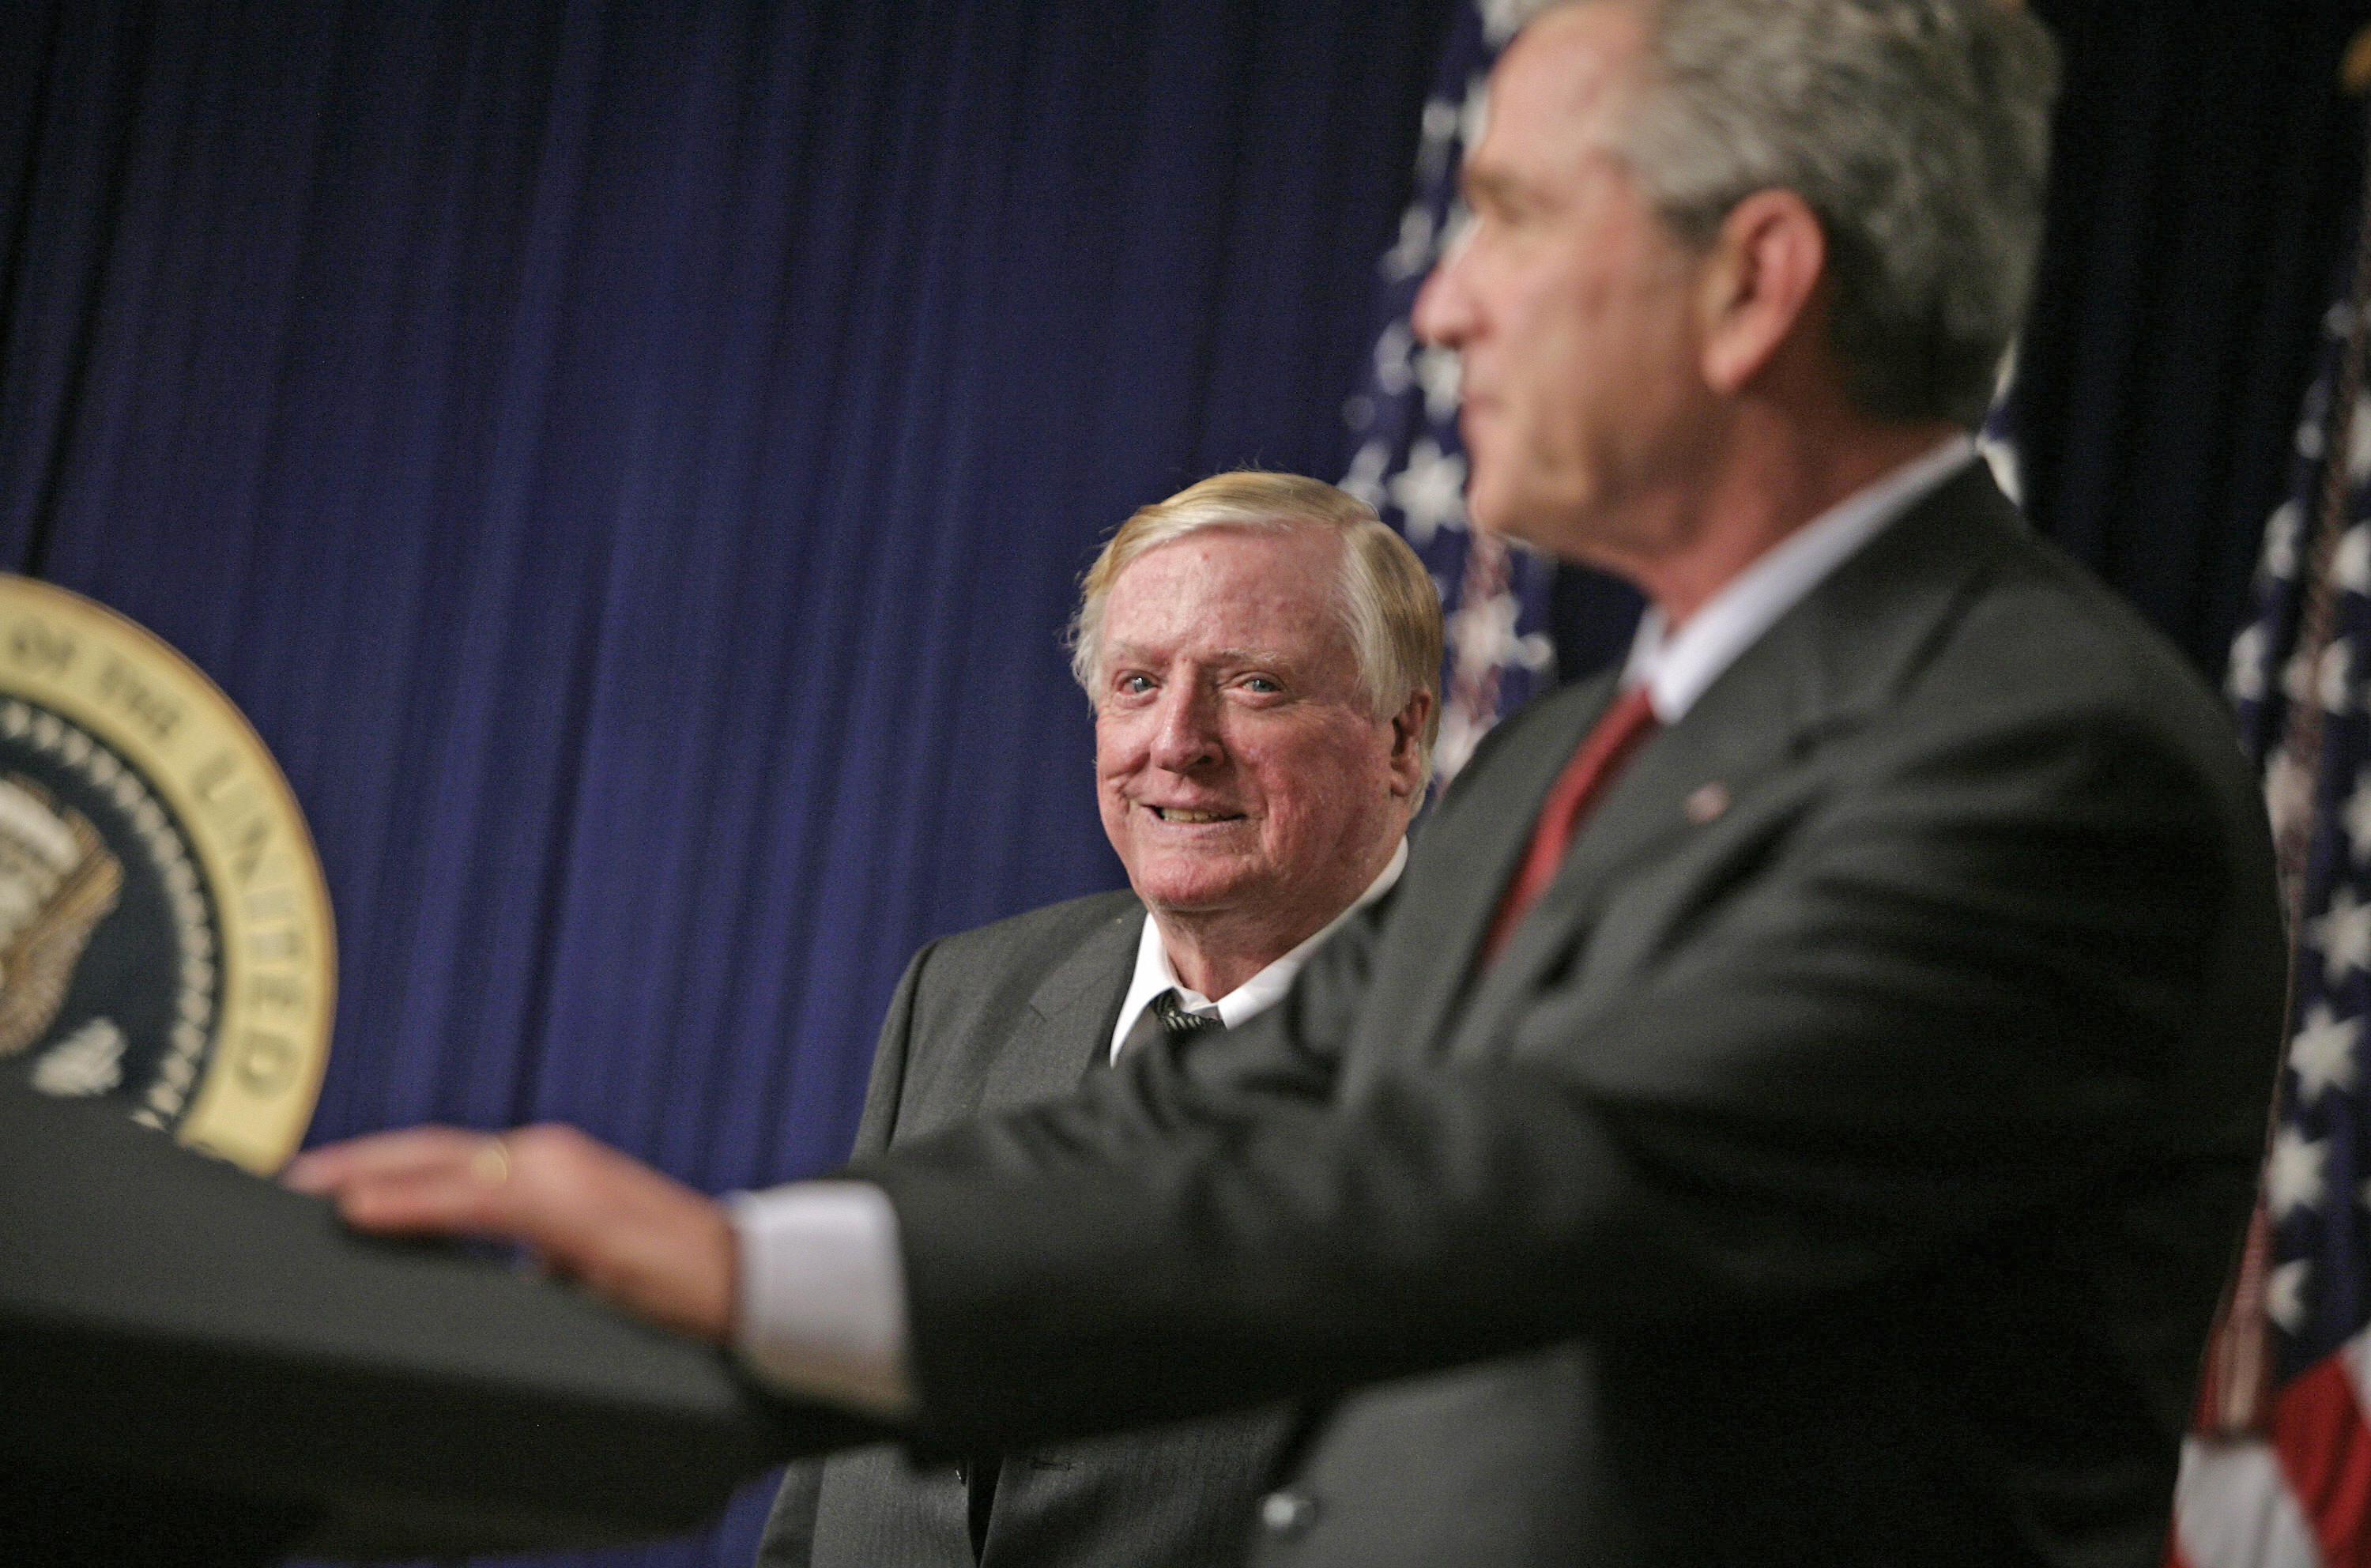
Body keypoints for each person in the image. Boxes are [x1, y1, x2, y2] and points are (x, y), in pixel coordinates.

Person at [290, 3, 2288, 1565]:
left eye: (1513, 214)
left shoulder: (2041, 756)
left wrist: (742, 1271)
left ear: (1753, 280)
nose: (1442, 299)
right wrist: (688, 1312)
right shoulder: (1565, 771)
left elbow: (1502, 1180)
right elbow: (1238, 1106)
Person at [756, 472, 1440, 1567]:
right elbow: (830, 1478)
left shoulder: (1489, 1049)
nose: (1178, 742)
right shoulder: (960, 990)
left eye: (1254, 685)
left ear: (1402, 742)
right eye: (1136, 683)